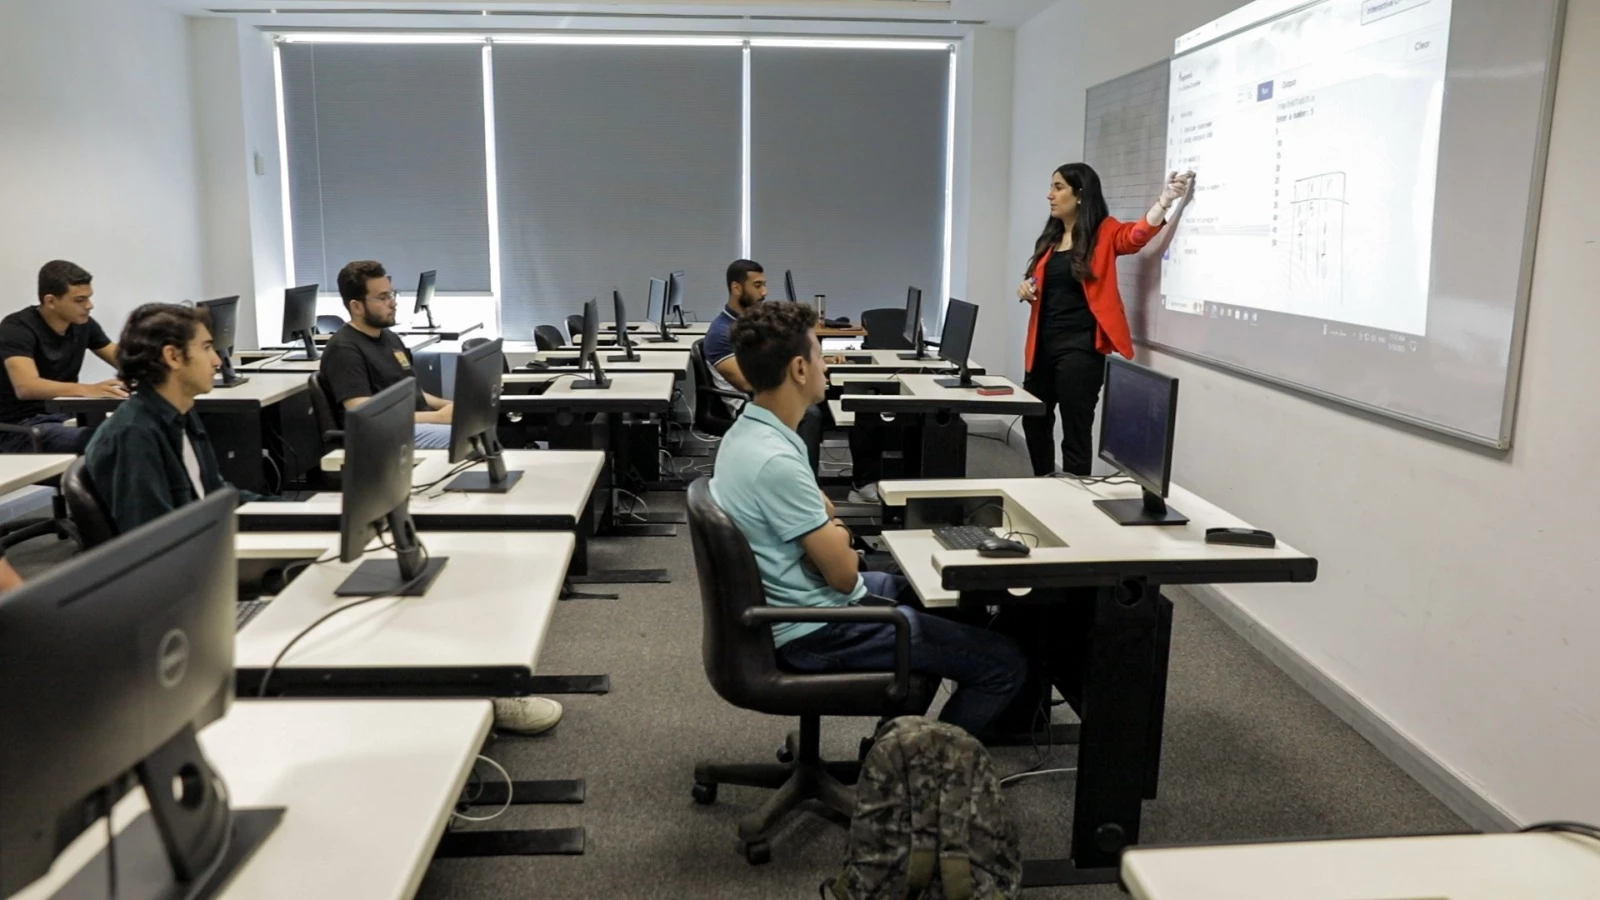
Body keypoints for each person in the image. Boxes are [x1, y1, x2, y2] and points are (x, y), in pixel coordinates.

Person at [709, 300, 1027, 737]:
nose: (827, 366)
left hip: (793, 606)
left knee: (950, 604)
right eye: (819, 355)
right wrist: (836, 528)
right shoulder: (775, 461)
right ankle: (920, 770)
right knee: (1004, 663)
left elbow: (824, 527)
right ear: (799, 369)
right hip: (811, 631)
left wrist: (829, 526)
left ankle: (890, 745)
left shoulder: (751, 431)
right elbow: (844, 574)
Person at [1018, 165, 1194, 476]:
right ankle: (1042, 485)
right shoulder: (1051, 238)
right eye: (1051, 187)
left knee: (1075, 432)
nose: (1050, 195)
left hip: (1081, 350)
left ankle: (1074, 498)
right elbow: (1041, 280)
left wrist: (1165, 200)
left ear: (1080, 194)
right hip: (1042, 349)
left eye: (1058, 187)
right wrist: (1027, 287)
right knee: (1034, 421)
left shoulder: (1104, 232)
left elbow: (1136, 235)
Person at [703, 260, 883, 503]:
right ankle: (807, 491)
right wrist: (802, 374)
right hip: (750, 402)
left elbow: (778, 359)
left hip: (776, 389)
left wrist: (815, 361)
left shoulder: (754, 324)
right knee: (810, 413)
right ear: (736, 288)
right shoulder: (720, 332)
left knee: (860, 397)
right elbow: (750, 383)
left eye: (764, 285)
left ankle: (863, 482)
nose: (764, 292)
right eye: (757, 285)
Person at [82, 304, 270, 534]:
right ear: (172, 356)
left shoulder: (183, 412)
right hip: (189, 551)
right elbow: (154, 537)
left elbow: (216, 493)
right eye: (206, 348)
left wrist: (295, 512)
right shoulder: (134, 433)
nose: (217, 361)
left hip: (206, 540)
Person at [319, 260, 453, 450]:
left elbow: (415, 393)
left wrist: (447, 406)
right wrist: (437, 417)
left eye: (391, 294)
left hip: (411, 424)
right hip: (379, 435)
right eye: (383, 298)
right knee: (463, 436)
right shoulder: (344, 349)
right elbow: (363, 411)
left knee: (475, 423)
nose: (393, 303)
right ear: (356, 307)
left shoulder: (390, 338)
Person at [0, 260, 124, 453]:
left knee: (136, 430)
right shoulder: (16, 329)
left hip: (64, 417)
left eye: (89, 298)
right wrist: (88, 389)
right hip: (21, 428)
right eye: (79, 300)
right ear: (50, 301)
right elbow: (26, 387)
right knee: (109, 441)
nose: (89, 306)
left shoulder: (83, 324)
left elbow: (124, 360)